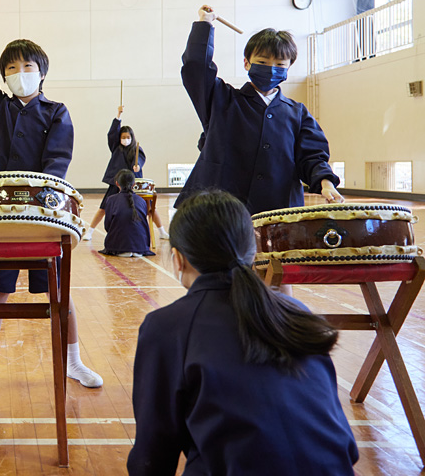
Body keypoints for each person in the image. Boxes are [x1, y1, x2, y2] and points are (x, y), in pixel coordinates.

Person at [127, 190, 358, 475]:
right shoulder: (295, 311)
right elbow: (342, 444)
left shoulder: (167, 326)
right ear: (252, 253)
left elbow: (153, 456)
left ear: (178, 259)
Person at [0, 0, 102, 390]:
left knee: (59, 293)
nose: (19, 72)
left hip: (41, 214)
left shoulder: (56, 112)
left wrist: (43, 201)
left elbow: (57, 160)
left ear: (42, 73)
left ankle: (73, 361)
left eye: (27, 66)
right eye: (11, 67)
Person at [175, 5, 344, 215]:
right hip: (221, 209)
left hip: (279, 211)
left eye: (280, 64)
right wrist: (205, 24)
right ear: (247, 63)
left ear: (289, 68)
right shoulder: (220, 99)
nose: (271, 69)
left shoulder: (298, 113)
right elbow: (196, 67)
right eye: (262, 62)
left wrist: (326, 183)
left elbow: (312, 156)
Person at [85, 107, 168, 241]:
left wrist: (137, 166)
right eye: (123, 137)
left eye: (128, 137)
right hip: (117, 183)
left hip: (134, 184)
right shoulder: (115, 148)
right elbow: (112, 133)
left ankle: (162, 232)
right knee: (103, 208)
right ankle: (89, 232)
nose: (125, 139)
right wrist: (118, 115)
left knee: (150, 208)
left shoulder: (136, 149)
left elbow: (140, 159)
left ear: (132, 138)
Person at [99, 169, 153, 257]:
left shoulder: (111, 199)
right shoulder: (142, 200)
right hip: (141, 247)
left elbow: (107, 226)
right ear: (134, 184)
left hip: (118, 248)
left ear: (117, 183)